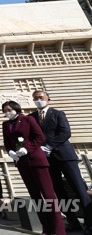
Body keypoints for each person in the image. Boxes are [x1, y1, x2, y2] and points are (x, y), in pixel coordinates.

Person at [30, 90, 92, 234]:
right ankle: (73, 222)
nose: (38, 100)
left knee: (79, 188)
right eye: (35, 98)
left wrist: (49, 146)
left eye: (40, 97)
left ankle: (89, 223)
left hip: (64, 155)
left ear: (48, 99)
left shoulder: (58, 114)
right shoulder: (31, 118)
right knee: (58, 191)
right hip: (47, 159)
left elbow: (65, 132)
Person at [2, 100, 65, 235]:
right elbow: (7, 142)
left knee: (48, 195)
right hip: (21, 162)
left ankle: (59, 230)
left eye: (9, 109)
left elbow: (40, 137)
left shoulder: (28, 119)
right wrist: (11, 152)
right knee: (35, 196)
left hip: (36, 159)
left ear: (16, 109)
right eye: (5, 111)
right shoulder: (5, 124)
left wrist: (27, 149)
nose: (7, 113)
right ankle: (46, 228)